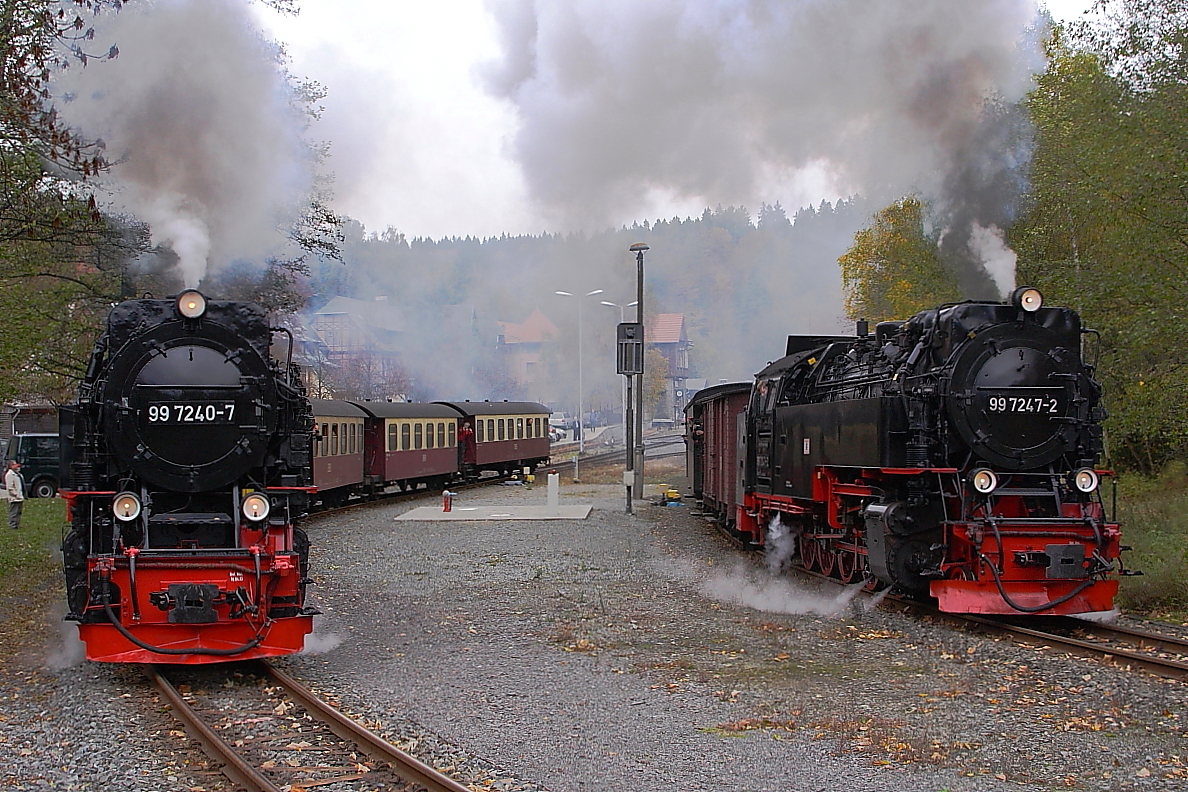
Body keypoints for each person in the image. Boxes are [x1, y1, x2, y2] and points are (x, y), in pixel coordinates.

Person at [5, 460, 24, 530]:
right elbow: (10, 488)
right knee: (13, 512)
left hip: (19, 497)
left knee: (18, 512)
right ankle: (11, 525)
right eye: (15, 464)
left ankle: (16, 524)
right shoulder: (9, 475)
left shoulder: (17, 474)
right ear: (11, 466)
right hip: (14, 497)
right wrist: (16, 494)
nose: (17, 466)